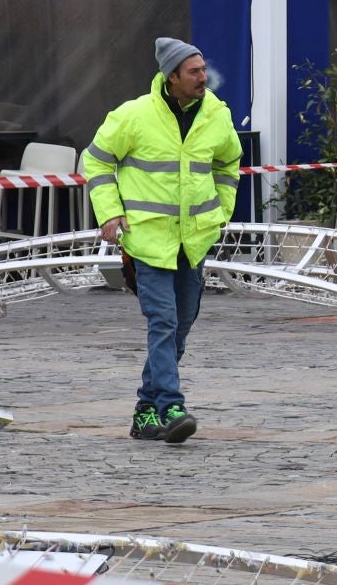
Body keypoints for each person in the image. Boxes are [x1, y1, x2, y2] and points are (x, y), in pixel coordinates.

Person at [82, 38, 242, 444]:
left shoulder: (217, 115)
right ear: (171, 77)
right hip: (148, 242)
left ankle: (144, 412)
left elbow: (229, 163)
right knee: (164, 322)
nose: (203, 78)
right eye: (194, 72)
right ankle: (172, 405)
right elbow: (96, 159)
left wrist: (221, 211)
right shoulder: (133, 115)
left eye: (203, 69)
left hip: (194, 241)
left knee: (180, 328)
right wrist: (110, 212)